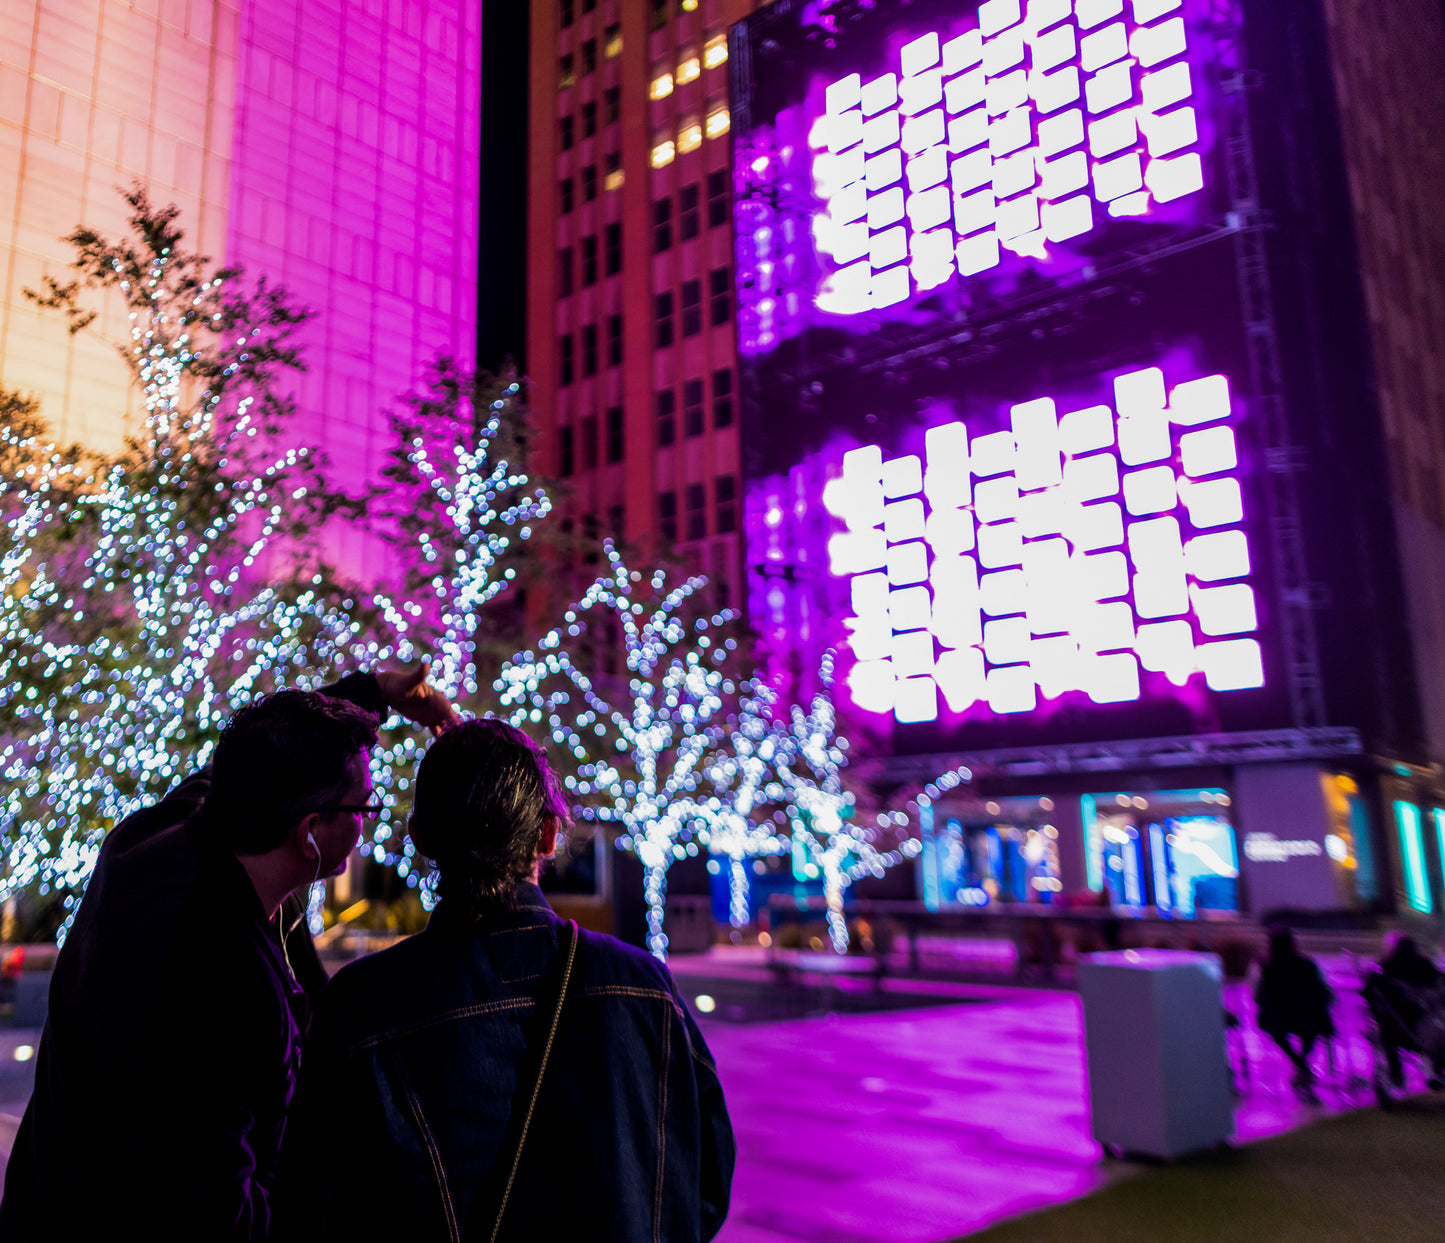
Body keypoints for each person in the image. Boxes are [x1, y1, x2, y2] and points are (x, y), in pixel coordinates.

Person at [0, 665, 458, 1242]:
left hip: (46, 1204)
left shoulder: (163, 836)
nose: (368, 825)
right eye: (363, 808)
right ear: (311, 830)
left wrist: (373, 693)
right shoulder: (221, 987)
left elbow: (263, 751)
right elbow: (216, 1212)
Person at [274, 718, 736, 1242]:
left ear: (421, 837)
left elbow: (307, 1209)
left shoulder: (360, 1008)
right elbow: (706, 1181)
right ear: (548, 833)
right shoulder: (647, 988)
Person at [1254, 927, 1333, 1099]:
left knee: (1276, 1033)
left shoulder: (1267, 968)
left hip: (1280, 1019)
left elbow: (1259, 996)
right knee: (1311, 1031)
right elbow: (1321, 990)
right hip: (1308, 1016)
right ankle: (1303, 1064)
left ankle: (1299, 1065)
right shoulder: (1307, 964)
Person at [1365, 934, 1445, 1089]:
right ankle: (1437, 1072)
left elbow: (1369, 993)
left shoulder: (1384, 968)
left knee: (1387, 1040)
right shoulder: (1423, 965)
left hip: (1393, 1026)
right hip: (1421, 1023)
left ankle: (1397, 1075)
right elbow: (1439, 982)